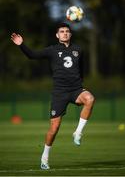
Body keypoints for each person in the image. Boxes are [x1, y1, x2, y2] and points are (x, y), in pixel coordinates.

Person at [11, 23, 95, 170]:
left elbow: (81, 69)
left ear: (70, 34)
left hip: (76, 89)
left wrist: (82, 85)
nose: (65, 33)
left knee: (90, 98)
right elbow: (32, 55)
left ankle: (78, 132)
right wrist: (21, 45)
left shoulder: (78, 50)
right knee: (54, 129)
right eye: (62, 31)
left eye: (67, 31)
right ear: (57, 35)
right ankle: (45, 157)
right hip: (59, 93)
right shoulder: (52, 50)